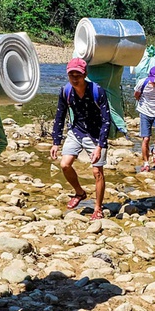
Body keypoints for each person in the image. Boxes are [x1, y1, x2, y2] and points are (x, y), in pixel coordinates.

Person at [50, 58, 111, 221]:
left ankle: (98, 208)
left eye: (78, 75)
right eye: (71, 75)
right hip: (76, 131)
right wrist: (56, 142)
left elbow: (106, 120)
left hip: (96, 134)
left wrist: (100, 145)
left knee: (97, 171)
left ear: (85, 75)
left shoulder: (97, 91)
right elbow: (59, 116)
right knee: (64, 164)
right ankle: (79, 192)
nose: (75, 78)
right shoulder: (66, 91)